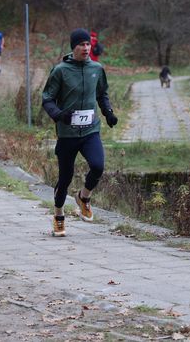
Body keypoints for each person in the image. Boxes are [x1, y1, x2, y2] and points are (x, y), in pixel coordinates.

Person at [41, 28, 118, 237]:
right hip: (67, 133)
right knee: (65, 178)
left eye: (87, 44)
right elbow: (47, 98)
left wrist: (108, 113)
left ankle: (83, 197)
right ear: (73, 47)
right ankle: (58, 215)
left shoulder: (97, 68)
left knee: (98, 166)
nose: (86, 48)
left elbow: (102, 94)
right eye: (81, 45)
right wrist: (58, 114)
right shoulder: (60, 70)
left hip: (90, 131)